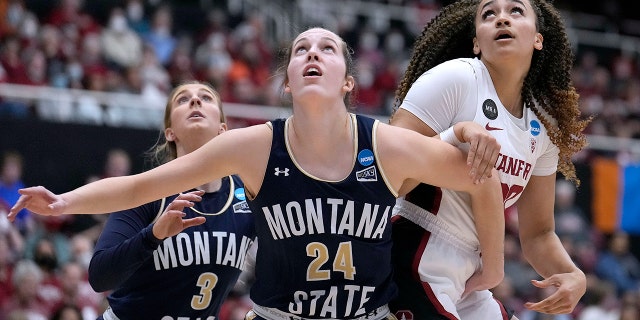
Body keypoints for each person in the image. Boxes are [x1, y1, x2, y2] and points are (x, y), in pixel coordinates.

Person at [8, 27, 504, 320]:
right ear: (287, 82)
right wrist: (65, 201)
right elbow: (143, 185)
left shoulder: (386, 144)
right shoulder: (253, 146)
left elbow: (483, 176)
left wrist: (462, 131)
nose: (312, 53)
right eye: (300, 51)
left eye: (327, 48)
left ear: (349, 82)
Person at [387, 0, 590, 318]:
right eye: (489, 14)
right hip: (413, 246)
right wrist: (453, 135)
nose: (502, 19)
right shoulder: (457, 79)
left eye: (516, 11)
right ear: (476, 43)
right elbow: (384, 171)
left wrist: (572, 273)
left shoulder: (542, 127)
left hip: (472, 274)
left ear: (538, 39)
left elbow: (538, 233)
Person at [88, 81, 257, 319]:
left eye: (206, 98)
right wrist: (154, 235)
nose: (195, 101)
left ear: (222, 129)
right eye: (182, 99)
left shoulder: (246, 194)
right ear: (170, 132)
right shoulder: (149, 190)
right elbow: (99, 276)